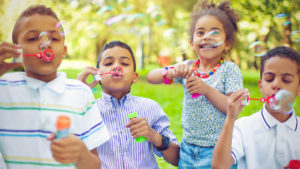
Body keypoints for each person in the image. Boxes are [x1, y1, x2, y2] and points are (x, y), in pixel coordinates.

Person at [0, 5, 110, 169]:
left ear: (64, 51)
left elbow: (94, 165)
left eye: (54, 38)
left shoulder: (81, 93)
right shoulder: (4, 88)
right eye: (32, 38)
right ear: (17, 51)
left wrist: (80, 153)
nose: (45, 44)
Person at [147, 0, 242, 168]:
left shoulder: (230, 70)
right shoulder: (189, 67)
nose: (206, 36)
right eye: (200, 32)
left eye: (215, 32)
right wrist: (171, 72)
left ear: (227, 44)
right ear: (192, 43)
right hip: (188, 150)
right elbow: (151, 77)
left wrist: (206, 90)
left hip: (217, 151)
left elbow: (231, 107)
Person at [77, 40, 180, 169]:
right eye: (108, 63)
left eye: (124, 63)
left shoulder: (150, 108)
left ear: (134, 77)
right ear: (98, 75)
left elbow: (177, 159)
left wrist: (155, 136)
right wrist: (77, 93)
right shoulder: (87, 110)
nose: (116, 67)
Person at [212, 46, 300, 169]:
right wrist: (231, 117)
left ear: (298, 88)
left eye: (286, 80)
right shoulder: (243, 127)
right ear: (261, 86)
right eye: (269, 79)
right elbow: (219, 166)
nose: (276, 84)